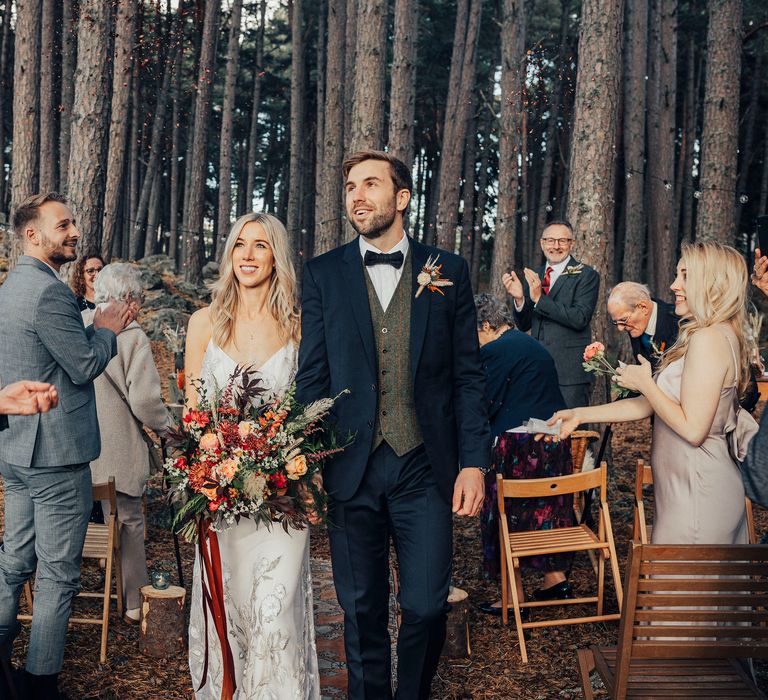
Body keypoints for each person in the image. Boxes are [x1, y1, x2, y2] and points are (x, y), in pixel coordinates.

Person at [296, 150, 490, 700]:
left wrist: (474, 462)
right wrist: (307, 463)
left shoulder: (446, 271)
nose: (357, 195)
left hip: (425, 467)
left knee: (426, 604)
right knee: (360, 610)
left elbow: (468, 377)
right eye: (351, 186)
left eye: (371, 184)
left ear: (402, 198)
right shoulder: (324, 273)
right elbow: (312, 377)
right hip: (348, 465)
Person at [0, 192, 132, 699]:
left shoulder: (14, 285)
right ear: (33, 234)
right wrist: (105, 330)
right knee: (58, 575)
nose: (74, 231)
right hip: (55, 455)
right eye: (64, 224)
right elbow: (82, 365)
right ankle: (39, 685)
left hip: (15, 451)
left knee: (15, 560)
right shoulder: (48, 293)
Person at [184, 213, 318, 699]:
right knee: (235, 611)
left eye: (260, 246)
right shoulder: (204, 323)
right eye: (239, 244)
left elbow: (310, 415)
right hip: (223, 500)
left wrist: (286, 462)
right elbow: (194, 415)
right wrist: (220, 464)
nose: (247, 254)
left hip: (284, 500)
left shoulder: (300, 328)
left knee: (273, 611)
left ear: (276, 257)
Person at [553, 241, 756, 545]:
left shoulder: (709, 339)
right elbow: (647, 405)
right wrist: (580, 414)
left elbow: (693, 429)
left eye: (685, 275)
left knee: (685, 589)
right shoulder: (708, 333)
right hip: (684, 489)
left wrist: (646, 382)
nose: (674, 285)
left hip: (698, 491)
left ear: (712, 282)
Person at [473, 293, 574, 615]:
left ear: (487, 325)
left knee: (507, 515)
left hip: (518, 447)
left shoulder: (496, 350)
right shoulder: (527, 343)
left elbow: (484, 402)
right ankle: (554, 579)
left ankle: (512, 597)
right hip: (552, 441)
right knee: (544, 509)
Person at [84, 263, 171, 625]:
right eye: (139, 298)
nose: (140, 305)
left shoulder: (81, 325)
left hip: (82, 452)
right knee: (130, 524)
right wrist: (169, 428)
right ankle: (133, 602)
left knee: (92, 523)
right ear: (129, 300)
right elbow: (145, 402)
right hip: (118, 451)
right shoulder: (133, 336)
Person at [503, 220, 600, 409]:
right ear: (542, 243)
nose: (556, 246)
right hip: (536, 369)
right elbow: (524, 325)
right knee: (539, 431)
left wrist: (540, 298)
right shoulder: (535, 275)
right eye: (550, 240)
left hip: (569, 374)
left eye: (562, 241)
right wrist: (520, 299)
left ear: (572, 244)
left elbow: (580, 318)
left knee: (571, 433)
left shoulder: (586, 275)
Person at [607, 282, 678, 369]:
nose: (620, 328)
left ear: (643, 307)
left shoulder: (677, 322)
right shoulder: (635, 326)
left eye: (623, 320)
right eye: (616, 322)